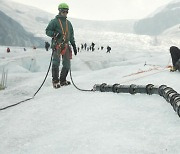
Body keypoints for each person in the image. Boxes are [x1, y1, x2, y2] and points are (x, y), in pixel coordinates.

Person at [46, 3, 77, 88]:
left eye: (66, 11)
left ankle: (63, 80)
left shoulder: (68, 23)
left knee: (67, 64)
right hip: (57, 45)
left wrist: (73, 45)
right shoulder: (54, 21)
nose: (65, 13)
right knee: (56, 62)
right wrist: (54, 34)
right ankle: (55, 81)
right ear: (59, 11)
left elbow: (71, 35)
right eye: (63, 11)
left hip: (66, 45)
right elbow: (47, 31)